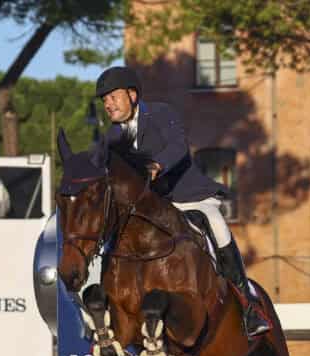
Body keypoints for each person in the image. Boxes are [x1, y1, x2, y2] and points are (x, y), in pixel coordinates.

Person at [93, 65, 270, 339]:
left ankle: (248, 306)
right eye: (104, 101)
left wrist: (155, 166)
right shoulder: (113, 137)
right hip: (151, 210)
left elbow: (178, 147)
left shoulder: (161, 113)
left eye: (113, 97)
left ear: (132, 95)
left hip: (188, 197)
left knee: (217, 224)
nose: (108, 104)